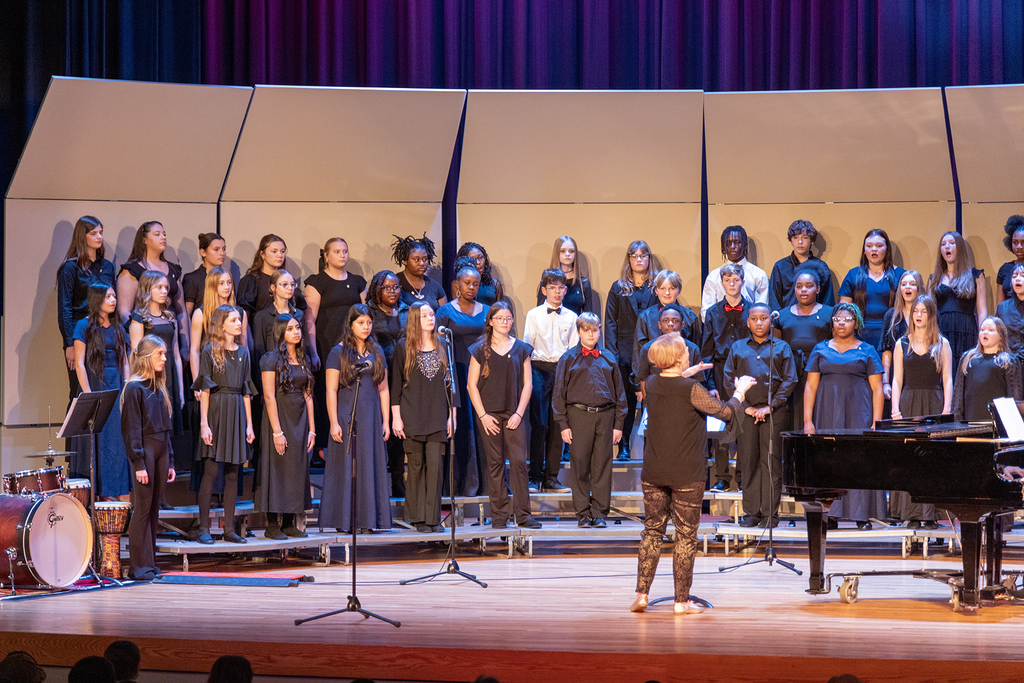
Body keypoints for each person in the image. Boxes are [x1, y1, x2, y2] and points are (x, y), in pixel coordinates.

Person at [631, 334, 754, 615]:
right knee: (685, 536)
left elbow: (673, 384)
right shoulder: (692, 389)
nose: (688, 351)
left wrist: (689, 373)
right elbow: (724, 412)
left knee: (652, 531)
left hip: (654, 469)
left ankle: (641, 594)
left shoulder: (652, 383)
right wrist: (740, 392)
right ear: (677, 357)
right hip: (686, 471)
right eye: (684, 349)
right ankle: (681, 602)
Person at [803, 303, 885, 529]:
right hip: (828, 411)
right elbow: (810, 387)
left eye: (847, 319)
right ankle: (830, 515)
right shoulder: (820, 349)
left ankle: (861, 514)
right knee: (829, 461)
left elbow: (878, 389)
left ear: (856, 323)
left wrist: (876, 421)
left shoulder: (867, 350)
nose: (841, 323)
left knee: (858, 460)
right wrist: (808, 421)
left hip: (858, 411)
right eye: (837, 319)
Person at [724, 302, 797, 528]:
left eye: (763, 318)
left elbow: (789, 380)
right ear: (748, 322)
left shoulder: (782, 347)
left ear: (770, 321)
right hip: (746, 412)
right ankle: (751, 512)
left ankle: (769, 513)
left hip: (774, 413)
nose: (759, 322)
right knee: (748, 461)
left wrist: (770, 406)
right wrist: (745, 407)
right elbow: (729, 379)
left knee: (771, 462)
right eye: (754, 318)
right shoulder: (737, 347)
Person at [467, 302, 539, 529]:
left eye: (508, 318)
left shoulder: (522, 349)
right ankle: (499, 516)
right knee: (495, 463)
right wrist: (483, 416)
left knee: (518, 462)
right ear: (490, 321)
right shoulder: (479, 349)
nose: (505, 322)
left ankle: (524, 515)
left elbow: (528, 384)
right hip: (489, 415)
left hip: (514, 414)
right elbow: (471, 385)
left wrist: (519, 413)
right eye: (499, 318)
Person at [321, 304, 392, 533]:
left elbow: (384, 389)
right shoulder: (337, 352)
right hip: (346, 414)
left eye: (368, 322)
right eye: (360, 323)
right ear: (350, 325)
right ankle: (344, 520)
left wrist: (386, 421)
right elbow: (331, 390)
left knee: (369, 464)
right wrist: (333, 422)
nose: (365, 327)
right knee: (347, 465)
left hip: (371, 415)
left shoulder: (376, 352)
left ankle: (369, 520)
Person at [552, 313, 626, 528]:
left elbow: (620, 395)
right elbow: (559, 395)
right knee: (580, 466)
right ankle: (583, 513)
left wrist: (618, 425)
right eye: (586, 330)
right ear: (579, 332)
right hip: (578, 416)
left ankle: (600, 513)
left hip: (605, 416)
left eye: (594, 330)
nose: (591, 334)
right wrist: (564, 425)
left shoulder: (609, 358)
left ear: (600, 330)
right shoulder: (568, 359)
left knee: (603, 465)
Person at [391, 302, 457, 533]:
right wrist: (396, 417)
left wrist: (452, 415)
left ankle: (432, 518)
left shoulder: (444, 345)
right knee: (416, 467)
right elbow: (396, 386)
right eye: (425, 315)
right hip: (412, 415)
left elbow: (452, 386)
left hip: (438, 414)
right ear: (414, 320)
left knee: (435, 467)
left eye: (432, 314)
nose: (431, 318)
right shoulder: (403, 347)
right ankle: (418, 518)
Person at [193, 305, 256, 544]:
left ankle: (229, 529)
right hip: (217, 411)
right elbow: (206, 390)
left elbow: (247, 391)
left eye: (239, 319)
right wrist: (204, 423)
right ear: (222, 325)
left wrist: (249, 425)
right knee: (211, 470)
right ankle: (204, 528)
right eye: (233, 320)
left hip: (237, 411)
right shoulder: (210, 351)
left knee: (233, 472)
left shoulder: (243, 353)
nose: (239, 323)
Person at [889, 295, 951, 529]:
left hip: (933, 403)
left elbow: (947, 379)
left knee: (932, 459)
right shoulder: (901, 344)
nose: (918, 314)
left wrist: (946, 409)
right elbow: (896, 380)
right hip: (909, 403)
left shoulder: (942, 343)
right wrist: (895, 409)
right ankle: (911, 513)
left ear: (931, 314)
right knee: (910, 458)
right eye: (916, 310)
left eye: (924, 311)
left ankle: (931, 514)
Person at [120, 335, 177, 580]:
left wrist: (171, 460)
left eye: (165, 354)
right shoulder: (134, 388)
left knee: (154, 509)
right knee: (142, 509)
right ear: (146, 357)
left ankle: (149, 563)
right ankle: (138, 567)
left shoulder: (158, 386)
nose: (164, 359)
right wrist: (139, 463)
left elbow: (166, 429)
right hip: (145, 451)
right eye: (159, 354)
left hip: (161, 449)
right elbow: (131, 430)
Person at [256, 314, 314, 540]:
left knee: (296, 468)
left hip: (299, 419)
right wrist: (277, 431)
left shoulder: (302, 358)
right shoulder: (270, 359)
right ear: (281, 332)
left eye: (298, 328)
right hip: (278, 417)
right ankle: (272, 524)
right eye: (291, 329)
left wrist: (312, 429)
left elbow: (308, 394)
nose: (297, 332)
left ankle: (290, 522)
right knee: (277, 467)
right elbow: (269, 397)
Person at [523, 269, 578, 492]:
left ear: (565, 290)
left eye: (561, 288)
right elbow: (527, 346)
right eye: (552, 288)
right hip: (539, 369)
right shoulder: (533, 315)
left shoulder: (572, 317)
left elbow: (574, 350)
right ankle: (534, 476)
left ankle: (551, 478)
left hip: (562, 369)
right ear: (544, 290)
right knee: (540, 424)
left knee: (558, 425)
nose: (557, 292)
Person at [73, 284, 131, 499]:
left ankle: (116, 498)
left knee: (115, 441)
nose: (113, 300)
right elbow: (79, 364)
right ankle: (96, 499)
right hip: (95, 385)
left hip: (116, 386)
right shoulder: (84, 325)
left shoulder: (118, 327)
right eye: (108, 296)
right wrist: (89, 397)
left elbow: (124, 361)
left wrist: (127, 386)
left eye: (114, 295)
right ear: (97, 299)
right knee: (96, 442)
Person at [435, 263, 488, 496]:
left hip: (483, 377)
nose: (471, 287)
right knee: (461, 428)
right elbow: (437, 346)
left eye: (475, 284)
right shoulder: (445, 312)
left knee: (482, 428)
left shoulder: (487, 311)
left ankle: (485, 485)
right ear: (457, 284)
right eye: (467, 283)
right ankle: (460, 486)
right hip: (455, 374)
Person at [700, 263, 750, 491]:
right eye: (727, 280)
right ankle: (721, 477)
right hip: (720, 370)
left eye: (736, 280)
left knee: (743, 423)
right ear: (721, 284)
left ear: (742, 282)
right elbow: (707, 350)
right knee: (720, 424)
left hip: (745, 371)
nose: (732, 284)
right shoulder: (712, 313)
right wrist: (710, 383)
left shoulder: (752, 310)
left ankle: (742, 476)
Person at [605, 240, 655, 460]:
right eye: (634, 256)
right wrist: (612, 356)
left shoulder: (656, 286)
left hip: (651, 353)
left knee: (650, 403)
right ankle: (623, 446)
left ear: (649, 259)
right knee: (625, 403)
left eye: (643, 255)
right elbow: (609, 322)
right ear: (629, 259)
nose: (639, 259)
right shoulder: (618, 287)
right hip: (624, 354)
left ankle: (651, 448)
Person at [58, 215, 115, 401]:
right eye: (93, 233)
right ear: (83, 237)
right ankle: (73, 431)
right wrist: (68, 344)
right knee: (79, 391)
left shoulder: (107, 266)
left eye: (101, 232)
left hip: (103, 331)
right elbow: (65, 307)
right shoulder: (71, 267)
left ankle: (99, 431)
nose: (99, 236)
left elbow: (113, 300)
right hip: (79, 332)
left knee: (101, 385)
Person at [773, 267, 833, 431]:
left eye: (809, 286)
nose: (803, 290)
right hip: (791, 372)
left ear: (818, 289)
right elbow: (777, 349)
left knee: (818, 413)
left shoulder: (830, 313)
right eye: (799, 286)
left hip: (820, 372)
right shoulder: (781, 315)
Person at [367, 270, 410, 497]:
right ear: (377, 289)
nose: (393, 291)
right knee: (381, 428)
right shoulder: (369, 312)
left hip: (403, 375)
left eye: (396, 287)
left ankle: (397, 479)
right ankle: (376, 481)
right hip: (379, 376)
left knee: (398, 429)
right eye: (387, 287)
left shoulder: (406, 310)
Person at [129, 271, 185, 438]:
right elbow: (136, 355)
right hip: (150, 378)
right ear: (147, 289)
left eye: (165, 287)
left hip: (170, 375)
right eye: (159, 287)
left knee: (170, 426)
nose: (164, 291)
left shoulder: (170, 317)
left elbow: (175, 354)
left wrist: (180, 389)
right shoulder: (139, 319)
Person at [117, 221, 188, 353]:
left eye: (164, 234)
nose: (163, 237)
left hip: (171, 338)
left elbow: (181, 311)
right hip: (146, 339)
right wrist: (135, 340)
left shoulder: (173, 270)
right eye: (157, 234)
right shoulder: (132, 270)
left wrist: (185, 345)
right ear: (144, 240)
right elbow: (124, 312)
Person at [838, 228, 905, 351]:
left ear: (887, 249)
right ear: (864, 250)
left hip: (893, 335)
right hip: (860, 336)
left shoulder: (901, 275)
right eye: (869, 246)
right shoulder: (853, 275)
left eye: (879, 245)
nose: (874, 249)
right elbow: (843, 310)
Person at [928, 231, 986, 365]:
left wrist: (982, 337)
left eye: (951, 243)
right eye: (943, 244)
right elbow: (929, 310)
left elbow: (982, 310)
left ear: (959, 248)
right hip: (942, 332)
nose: (947, 247)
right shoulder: (934, 278)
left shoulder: (975, 276)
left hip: (966, 331)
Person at [951, 316, 1023, 422]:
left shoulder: (1008, 361)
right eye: (982, 329)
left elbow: (1014, 397)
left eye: (991, 330)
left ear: (1001, 336)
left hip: (996, 425)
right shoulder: (968, 358)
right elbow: (958, 395)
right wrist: (957, 421)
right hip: (970, 423)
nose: (985, 332)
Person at [631, 269, 700, 379]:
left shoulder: (690, 317)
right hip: (653, 378)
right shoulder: (645, 317)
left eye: (672, 288)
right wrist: (638, 384)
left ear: (679, 290)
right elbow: (638, 352)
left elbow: (696, 351)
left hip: (683, 378)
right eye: (662, 288)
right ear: (656, 290)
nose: (667, 293)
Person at [635, 304, 709, 397]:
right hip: (656, 400)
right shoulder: (648, 349)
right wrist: (648, 403)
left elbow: (699, 380)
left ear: (682, 325)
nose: (670, 324)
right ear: (659, 325)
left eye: (675, 321)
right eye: (665, 320)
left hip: (684, 401)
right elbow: (643, 378)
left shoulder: (692, 349)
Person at [700, 225, 769, 320]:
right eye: (728, 243)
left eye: (737, 242)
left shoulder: (758, 275)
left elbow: (762, 309)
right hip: (721, 331)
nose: (732, 247)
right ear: (723, 246)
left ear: (744, 244)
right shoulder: (713, 276)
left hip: (749, 330)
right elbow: (706, 313)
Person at [237, 234, 306, 324]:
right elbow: (245, 315)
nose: (279, 255)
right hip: (261, 333)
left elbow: (300, 312)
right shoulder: (251, 281)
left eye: (282, 251)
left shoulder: (288, 280)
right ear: (262, 254)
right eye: (274, 251)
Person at [192, 266, 250, 373]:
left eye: (229, 282)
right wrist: (197, 384)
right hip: (210, 370)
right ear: (212, 286)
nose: (227, 287)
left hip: (234, 370)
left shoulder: (240, 313)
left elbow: (244, 347)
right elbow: (194, 351)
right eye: (221, 283)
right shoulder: (201, 314)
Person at [880, 270, 925, 406]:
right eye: (904, 284)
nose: (907, 287)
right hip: (897, 377)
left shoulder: (928, 314)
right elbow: (887, 351)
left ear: (919, 288)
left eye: (912, 284)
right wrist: (885, 382)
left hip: (919, 377)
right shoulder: (891, 315)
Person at [768, 219, 835, 310]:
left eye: (805, 237)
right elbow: (774, 299)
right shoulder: (780, 266)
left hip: (816, 320)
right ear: (791, 241)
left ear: (812, 241)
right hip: (787, 320)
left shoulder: (821, 267)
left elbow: (828, 300)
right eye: (795, 237)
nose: (800, 242)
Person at [251, 269, 299, 367]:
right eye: (285, 285)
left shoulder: (298, 314)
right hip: (272, 371)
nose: (290, 288)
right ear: (273, 287)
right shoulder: (262, 317)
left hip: (296, 372)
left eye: (292, 285)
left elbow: (304, 347)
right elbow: (259, 352)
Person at [536, 235, 592, 315]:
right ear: (556, 253)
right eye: (562, 251)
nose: (567, 254)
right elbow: (540, 312)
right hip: (551, 326)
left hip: (575, 326)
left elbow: (588, 318)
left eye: (571, 251)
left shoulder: (583, 283)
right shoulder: (547, 281)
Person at [391, 233, 446, 309]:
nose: (422, 263)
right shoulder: (394, 282)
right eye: (416, 260)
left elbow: (443, 316)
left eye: (425, 259)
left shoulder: (435, 286)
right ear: (405, 261)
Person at [182, 233, 227, 319]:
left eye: (224, 249)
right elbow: (187, 313)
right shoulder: (192, 279)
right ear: (203, 252)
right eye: (216, 249)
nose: (222, 253)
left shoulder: (226, 277)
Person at [457, 241, 504, 307]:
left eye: (480, 257)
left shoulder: (495, 284)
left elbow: (500, 311)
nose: (478, 262)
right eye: (473, 259)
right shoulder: (458, 284)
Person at [995, 215, 1024, 306]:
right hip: (1008, 319)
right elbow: (999, 306)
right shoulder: (1005, 269)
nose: (1019, 247)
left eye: (1023, 242)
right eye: (1015, 242)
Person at [996, 263, 1024, 356]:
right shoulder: (1003, 307)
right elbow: (997, 337)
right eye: (1014, 276)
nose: (1018, 279)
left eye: (1022, 275)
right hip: (1009, 362)